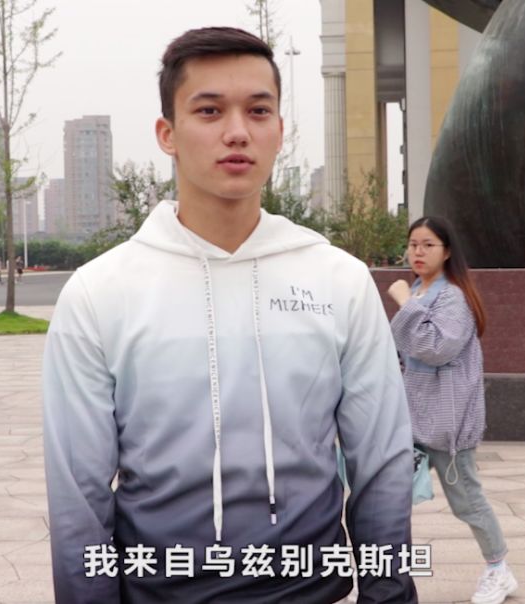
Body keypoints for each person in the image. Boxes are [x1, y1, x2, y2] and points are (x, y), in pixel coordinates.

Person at [43, 27, 417, 604]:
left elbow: (383, 464)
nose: (237, 132)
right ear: (167, 133)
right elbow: (78, 495)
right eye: (210, 110)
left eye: (258, 110)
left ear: (280, 130)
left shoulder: (337, 280)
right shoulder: (100, 293)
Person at [387, 216, 518, 604]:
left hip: (448, 422)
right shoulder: (419, 289)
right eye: (413, 244)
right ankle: (386, 575)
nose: (418, 252)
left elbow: (435, 347)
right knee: (390, 496)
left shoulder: (453, 297)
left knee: (467, 501)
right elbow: (406, 349)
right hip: (413, 418)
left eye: (428, 245)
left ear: (447, 252)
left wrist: (404, 303)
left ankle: (499, 569)